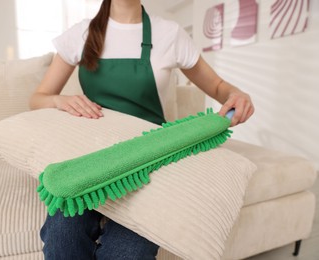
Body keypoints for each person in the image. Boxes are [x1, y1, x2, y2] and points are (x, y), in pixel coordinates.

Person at [30, 0, 254, 259]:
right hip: (92, 155)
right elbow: (38, 98)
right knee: (62, 236)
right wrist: (60, 100)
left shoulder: (169, 34)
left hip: (150, 159)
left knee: (128, 252)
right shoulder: (81, 33)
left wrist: (236, 93)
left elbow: (217, 86)